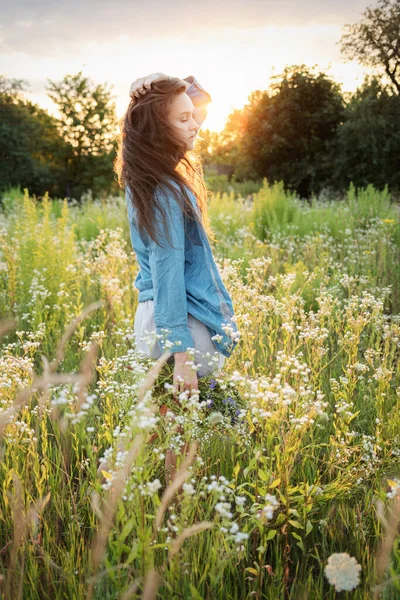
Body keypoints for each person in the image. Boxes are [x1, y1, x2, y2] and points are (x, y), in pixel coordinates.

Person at [114, 73, 240, 484]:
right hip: (178, 325)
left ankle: (144, 495)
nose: (196, 123)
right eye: (183, 119)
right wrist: (182, 357)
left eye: (193, 116)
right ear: (158, 126)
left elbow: (193, 100)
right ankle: (169, 508)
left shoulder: (147, 177)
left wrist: (152, 86)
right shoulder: (164, 190)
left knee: (168, 428)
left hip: (159, 321)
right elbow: (168, 275)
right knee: (181, 435)